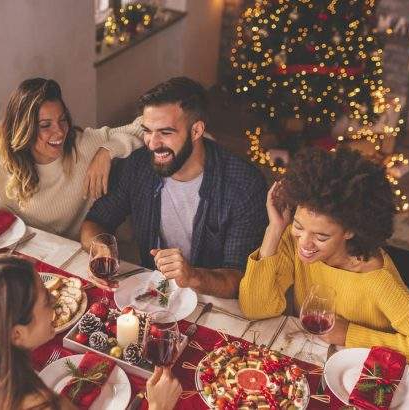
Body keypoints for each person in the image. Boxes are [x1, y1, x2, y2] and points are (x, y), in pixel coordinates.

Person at [239, 148, 409, 368]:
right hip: (310, 359)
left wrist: (349, 334)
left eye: (321, 236)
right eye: (299, 226)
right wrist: (275, 230)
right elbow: (256, 309)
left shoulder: (377, 280)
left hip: (363, 369)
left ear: (350, 231)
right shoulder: (293, 240)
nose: (304, 243)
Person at [80, 77, 268, 298]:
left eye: (166, 133)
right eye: (147, 131)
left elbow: (239, 279)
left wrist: (193, 276)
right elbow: (95, 222)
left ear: (196, 131)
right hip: (154, 296)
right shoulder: (138, 165)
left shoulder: (244, 184)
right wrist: (102, 249)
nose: (152, 143)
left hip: (215, 303)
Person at [0, 256, 181, 410]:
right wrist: (158, 407)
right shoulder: (31, 402)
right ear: (16, 335)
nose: (56, 304)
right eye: (46, 301)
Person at [0, 78, 144, 240]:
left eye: (62, 120)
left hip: (74, 256)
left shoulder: (83, 145)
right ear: (24, 129)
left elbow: (144, 124)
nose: (59, 131)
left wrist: (106, 151)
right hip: (24, 253)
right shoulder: (5, 158)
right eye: (45, 125)